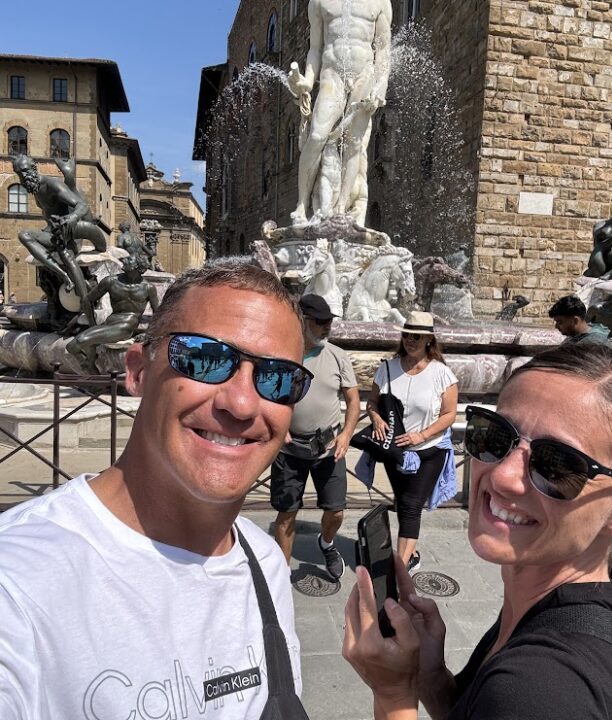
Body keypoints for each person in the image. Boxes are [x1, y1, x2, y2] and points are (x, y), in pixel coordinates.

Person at [0, 260, 314, 719]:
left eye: (279, 378)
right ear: (137, 372)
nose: (243, 403)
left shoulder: (264, 560)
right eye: (206, 359)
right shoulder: (18, 583)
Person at [344, 343, 612, 720]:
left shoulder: (540, 689)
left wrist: (392, 694)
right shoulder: (602, 596)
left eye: (556, 464)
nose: (501, 476)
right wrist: (430, 678)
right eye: (495, 437)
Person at [272, 294, 360, 580]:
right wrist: (279, 428)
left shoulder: (337, 355)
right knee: (286, 515)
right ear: (303, 321)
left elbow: (353, 399)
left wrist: (347, 434)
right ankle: (281, 574)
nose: (327, 328)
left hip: (328, 448)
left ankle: (327, 543)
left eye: (329, 322)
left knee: (336, 512)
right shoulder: (283, 353)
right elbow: (268, 396)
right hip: (289, 450)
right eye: (321, 323)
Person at [366, 310, 459, 571]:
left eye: (417, 337)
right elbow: (371, 402)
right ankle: (411, 551)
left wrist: (423, 435)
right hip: (395, 451)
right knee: (403, 500)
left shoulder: (442, 374)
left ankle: (400, 567)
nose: (410, 340)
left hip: (428, 451)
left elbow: (450, 414)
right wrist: (375, 418)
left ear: (429, 340)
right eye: (407, 335)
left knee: (410, 506)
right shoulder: (387, 368)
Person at [288, 0, 392, 226]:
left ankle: (342, 208)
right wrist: (306, 80)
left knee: (354, 144)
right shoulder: (318, 2)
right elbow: (315, 48)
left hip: (365, 73)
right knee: (316, 136)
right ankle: (301, 205)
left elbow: (383, 49)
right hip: (332, 72)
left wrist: (380, 85)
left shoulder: (381, 2)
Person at [11, 154, 107, 299]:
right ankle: (63, 275)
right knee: (24, 235)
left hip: (71, 232)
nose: (22, 176)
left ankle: (85, 300)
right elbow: (49, 215)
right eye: (18, 173)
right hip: (56, 233)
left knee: (64, 249)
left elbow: (82, 206)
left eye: (24, 171)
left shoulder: (52, 185)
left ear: (33, 168)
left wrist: (72, 218)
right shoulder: (35, 189)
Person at [66, 253, 160, 372]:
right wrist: (92, 324)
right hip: (109, 323)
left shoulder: (148, 288)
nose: (124, 259)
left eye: (129, 259)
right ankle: (95, 378)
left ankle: (93, 375)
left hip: (125, 327)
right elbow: (87, 301)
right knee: (71, 346)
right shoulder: (111, 281)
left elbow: (158, 313)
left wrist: (148, 334)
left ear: (137, 266)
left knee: (78, 343)